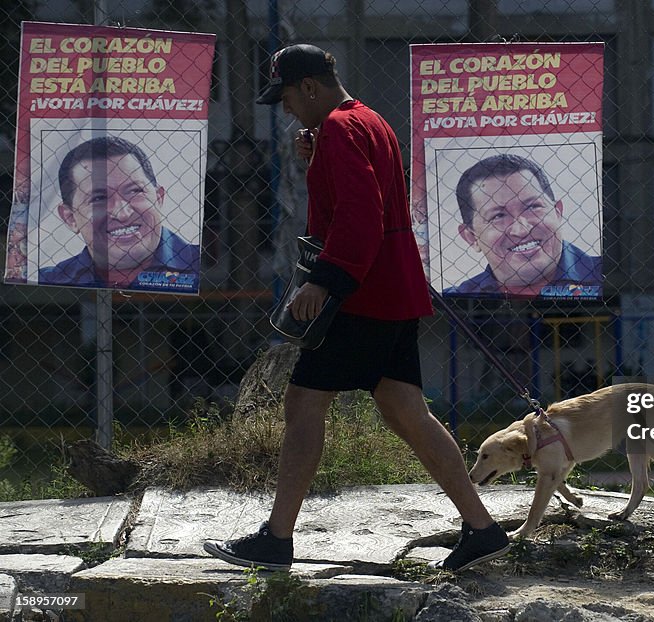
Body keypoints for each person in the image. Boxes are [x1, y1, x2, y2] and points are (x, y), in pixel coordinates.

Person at [203, 44, 509, 573]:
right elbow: (367, 193)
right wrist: (318, 151)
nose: (287, 110)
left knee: (303, 403)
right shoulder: (365, 120)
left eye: (288, 98)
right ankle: (482, 530)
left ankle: (276, 540)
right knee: (405, 411)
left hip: (362, 295)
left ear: (311, 88)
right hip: (392, 289)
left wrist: (326, 281)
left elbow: (361, 214)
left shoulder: (341, 131)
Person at [39, 136, 200, 293]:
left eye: (135, 191)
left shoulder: (206, 269)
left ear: (159, 198)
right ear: (70, 218)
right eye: (99, 198)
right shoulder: (45, 282)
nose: (122, 213)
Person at [442, 153, 602, 298]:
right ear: (471, 237)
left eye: (532, 207)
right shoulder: (453, 300)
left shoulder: (608, 277)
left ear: (557, 212)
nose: (521, 229)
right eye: (498, 216)